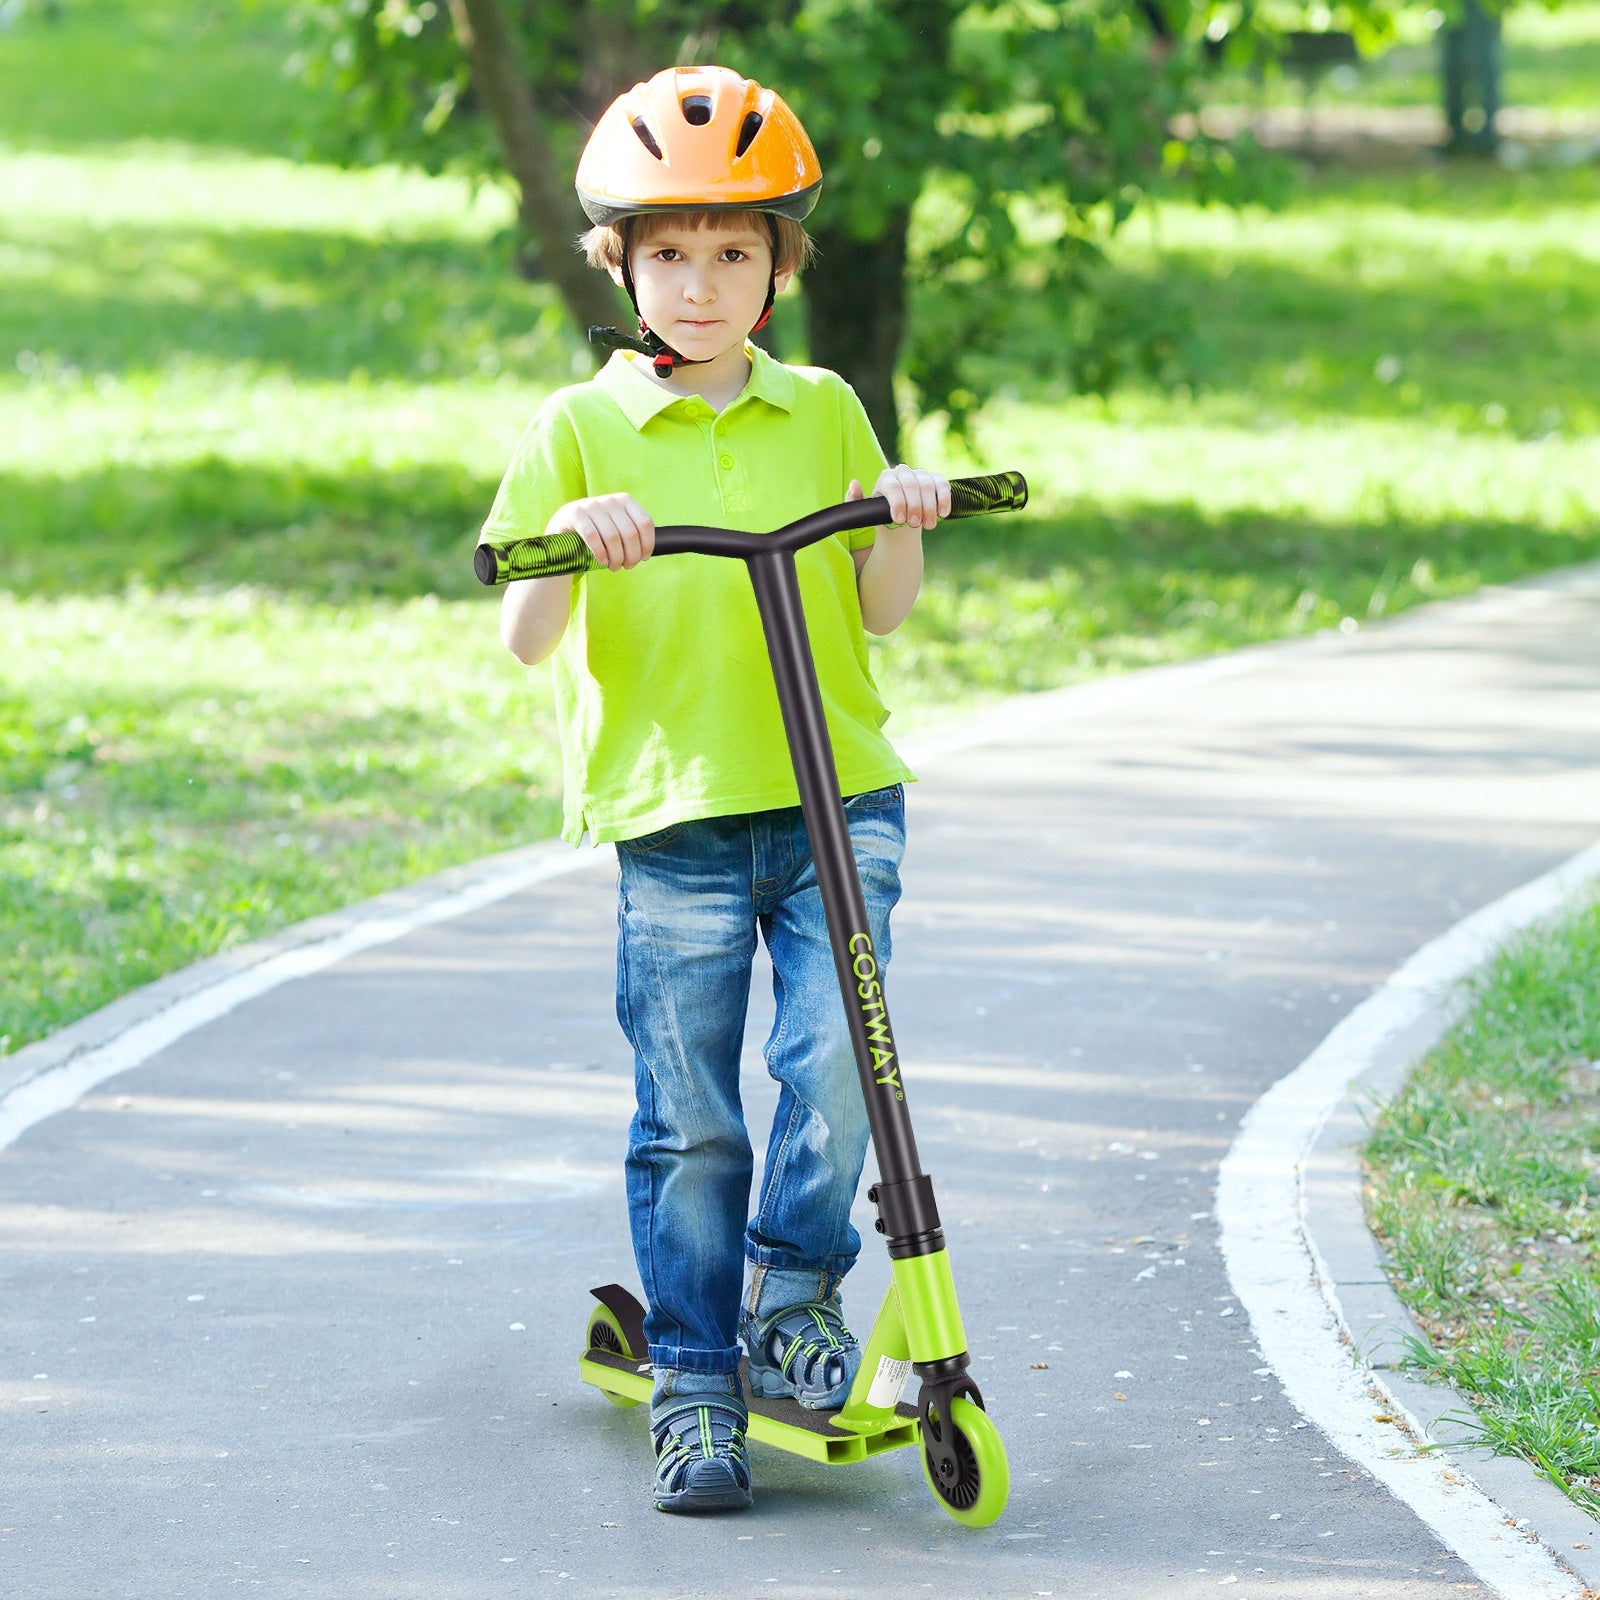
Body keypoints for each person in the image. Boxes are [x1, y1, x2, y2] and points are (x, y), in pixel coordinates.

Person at [481, 64, 949, 1515]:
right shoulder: (580, 429)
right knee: (690, 1113)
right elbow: (524, 635)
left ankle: (791, 1293)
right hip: (676, 811)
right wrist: (574, 533)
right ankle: (694, 1378)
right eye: (671, 253)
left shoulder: (824, 409)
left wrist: (903, 515)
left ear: (778, 267)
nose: (701, 285)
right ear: (621, 265)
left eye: (734, 253)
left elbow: (880, 610)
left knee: (840, 1058)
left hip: (835, 799)